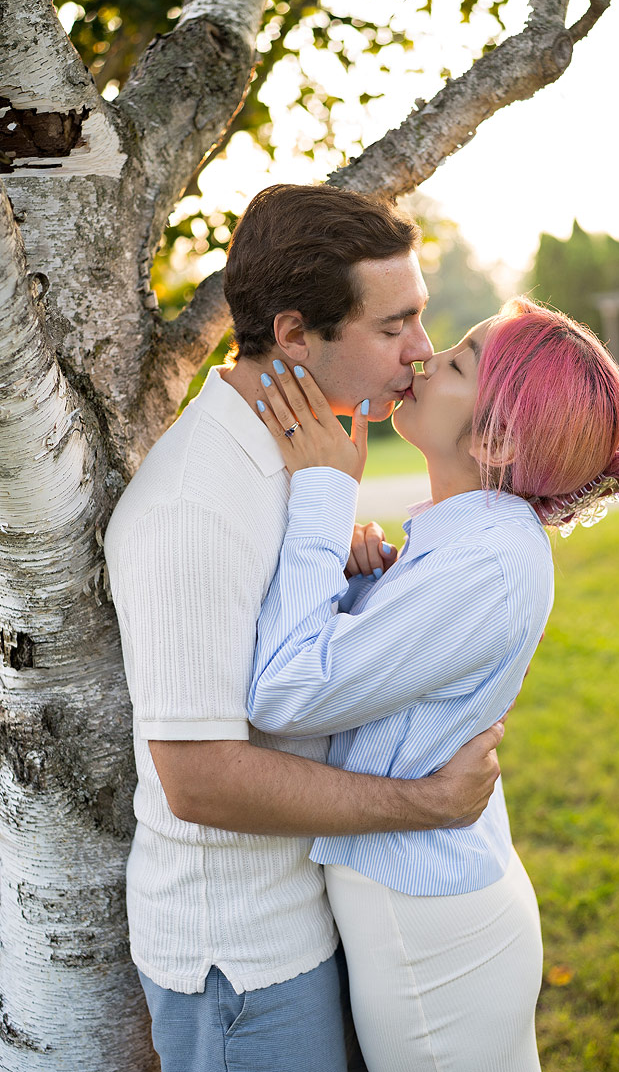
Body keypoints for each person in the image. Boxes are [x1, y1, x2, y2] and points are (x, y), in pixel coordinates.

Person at [103, 183, 505, 1072]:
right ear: (292, 335)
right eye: (391, 326)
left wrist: (343, 570)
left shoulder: (294, 459)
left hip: (317, 924)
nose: (422, 351)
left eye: (421, 318)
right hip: (242, 965)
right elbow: (198, 780)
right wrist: (423, 806)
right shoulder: (192, 505)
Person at [247, 296, 619, 1072]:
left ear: (498, 436)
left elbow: (285, 691)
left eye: (457, 362)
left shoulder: (485, 562)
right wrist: (353, 586)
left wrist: (320, 494)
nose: (423, 357)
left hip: (427, 937)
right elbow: (379, 684)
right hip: (428, 908)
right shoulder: (468, 537)